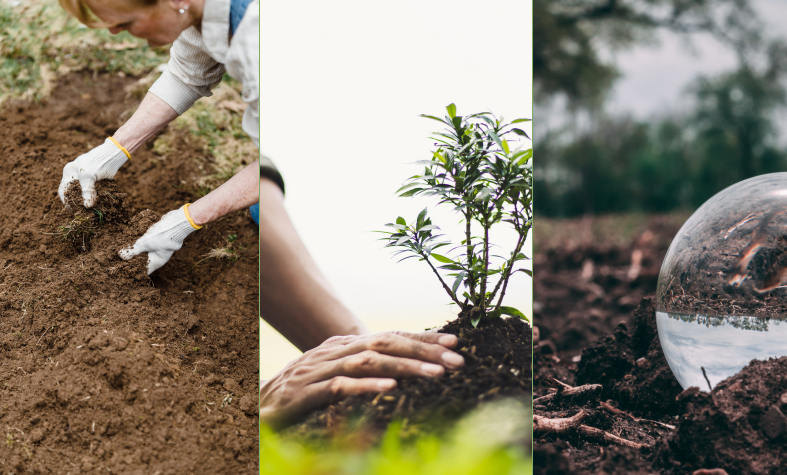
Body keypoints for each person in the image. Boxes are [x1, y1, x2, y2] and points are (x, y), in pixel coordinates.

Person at [56, 0, 465, 425]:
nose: (116, 35)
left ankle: (389, 378)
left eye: (125, 23)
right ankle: (370, 371)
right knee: (349, 354)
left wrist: (187, 219)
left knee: (261, 198)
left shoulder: (259, 33)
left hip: (353, 151)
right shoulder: (205, 12)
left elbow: (270, 153)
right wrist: (114, 149)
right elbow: (187, 70)